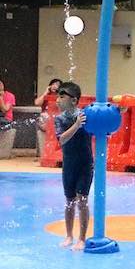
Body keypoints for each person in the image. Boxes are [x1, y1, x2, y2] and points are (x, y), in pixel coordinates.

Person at [54, 82, 93, 251]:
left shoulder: (85, 116)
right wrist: (76, 125)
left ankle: (82, 238)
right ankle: (69, 235)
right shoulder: (60, 119)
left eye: (62, 97)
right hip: (69, 165)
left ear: (74, 100)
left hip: (85, 165)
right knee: (69, 200)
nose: (57, 100)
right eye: (58, 96)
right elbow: (62, 139)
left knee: (82, 200)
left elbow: (102, 127)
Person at [34, 78, 62, 157]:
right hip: (45, 120)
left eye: (57, 85)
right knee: (43, 118)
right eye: (53, 84)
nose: (55, 86)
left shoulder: (61, 97)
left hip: (56, 121)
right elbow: (37, 103)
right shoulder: (46, 96)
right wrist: (45, 92)